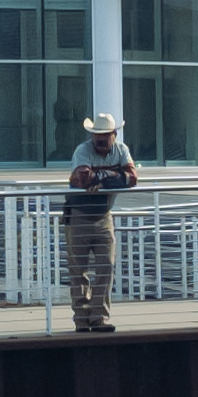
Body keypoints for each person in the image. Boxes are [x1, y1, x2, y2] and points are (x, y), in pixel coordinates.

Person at [63, 112, 137, 332]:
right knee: (78, 270)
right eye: (96, 134)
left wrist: (102, 182)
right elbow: (82, 178)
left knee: (106, 267)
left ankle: (99, 318)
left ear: (114, 135)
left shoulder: (121, 150)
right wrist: (114, 176)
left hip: (104, 215)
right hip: (78, 215)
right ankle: (81, 319)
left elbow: (132, 178)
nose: (100, 139)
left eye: (104, 134)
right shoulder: (82, 150)